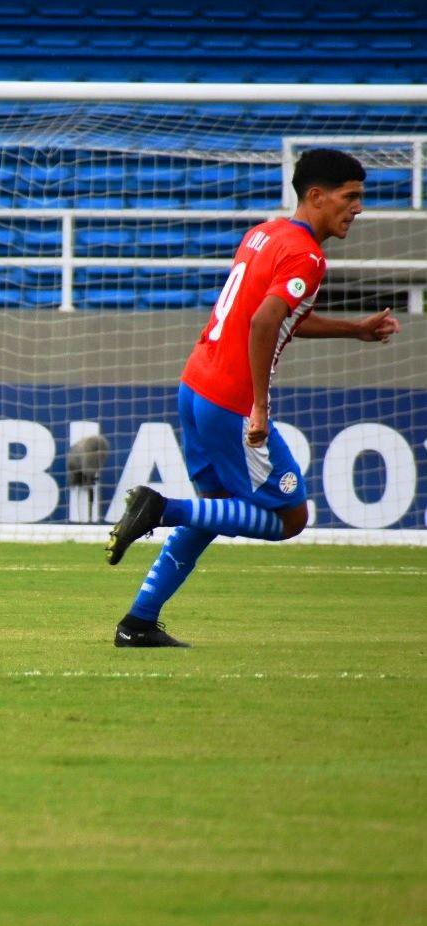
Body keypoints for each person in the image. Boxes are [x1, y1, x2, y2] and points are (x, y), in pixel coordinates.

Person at [105, 148, 401, 648]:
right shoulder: (308, 256)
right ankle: (160, 509)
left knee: (215, 509)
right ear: (316, 195)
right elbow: (264, 321)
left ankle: (138, 622)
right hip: (232, 400)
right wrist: (260, 406)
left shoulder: (264, 234)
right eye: (350, 197)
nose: (358, 208)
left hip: (196, 385)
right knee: (292, 518)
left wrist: (354, 329)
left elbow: (277, 316)